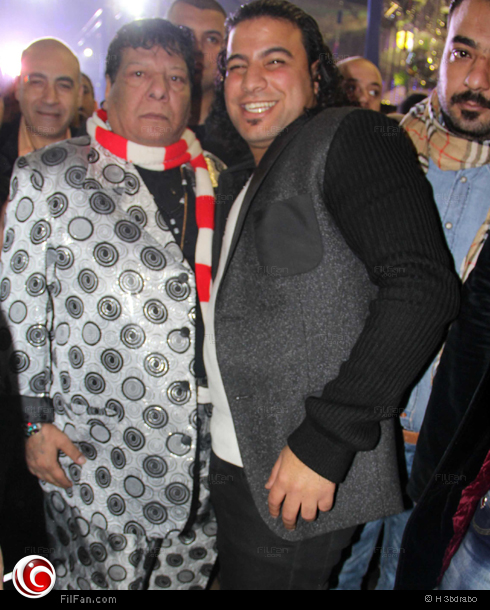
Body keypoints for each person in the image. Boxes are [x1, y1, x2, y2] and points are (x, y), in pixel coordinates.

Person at [203, 0, 460, 590]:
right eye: (237, 65)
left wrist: (327, 438)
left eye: (275, 60)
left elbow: (422, 287)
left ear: (316, 75)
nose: (251, 80)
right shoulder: (246, 176)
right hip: (238, 457)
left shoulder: (349, 135)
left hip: (301, 467)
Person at [0, 18, 221, 590]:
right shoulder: (50, 173)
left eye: (176, 78)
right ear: (109, 86)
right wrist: (32, 423)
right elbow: (21, 310)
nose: (160, 90)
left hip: (209, 443)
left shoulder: (216, 177)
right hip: (94, 450)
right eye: (140, 74)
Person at [335, 0, 490, 589]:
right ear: (441, 53)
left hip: (451, 451)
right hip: (353, 431)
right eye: (463, 51)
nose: (477, 78)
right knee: (332, 575)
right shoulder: (378, 151)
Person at [168, 0, 250, 166]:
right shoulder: (134, 125)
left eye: (212, 39)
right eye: (185, 34)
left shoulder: (247, 132)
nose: (197, 49)